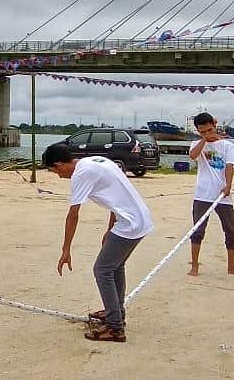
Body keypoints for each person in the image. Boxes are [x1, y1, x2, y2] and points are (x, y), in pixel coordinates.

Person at [45, 143, 153, 343]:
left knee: (102, 270)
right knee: (115, 267)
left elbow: (73, 214)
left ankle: (115, 328)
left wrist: (66, 249)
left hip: (130, 223)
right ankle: (116, 313)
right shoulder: (95, 161)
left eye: (55, 172)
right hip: (137, 219)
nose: (59, 176)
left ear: (59, 165)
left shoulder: (80, 174)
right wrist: (109, 229)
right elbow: (116, 196)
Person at [187, 112, 234, 277]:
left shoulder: (227, 146)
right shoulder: (196, 143)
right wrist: (204, 140)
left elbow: (229, 166)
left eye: (209, 130)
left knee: (230, 230)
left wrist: (228, 185)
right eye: (202, 131)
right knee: (198, 230)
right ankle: (194, 266)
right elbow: (193, 156)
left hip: (223, 195)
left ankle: (232, 266)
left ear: (214, 126)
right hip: (202, 195)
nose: (207, 134)